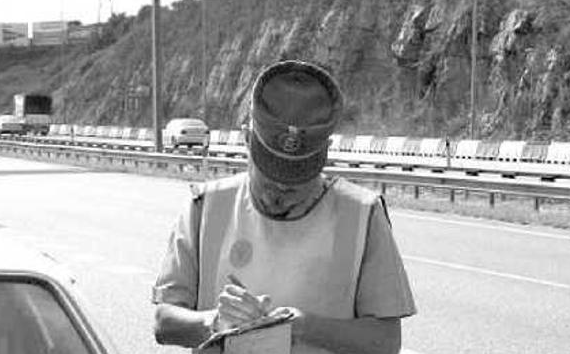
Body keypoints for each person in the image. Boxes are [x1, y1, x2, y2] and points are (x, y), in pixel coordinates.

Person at [152, 60, 416, 354]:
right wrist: (212, 322)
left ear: (323, 157)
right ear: (248, 140)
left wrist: (303, 328)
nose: (279, 192)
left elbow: (386, 341)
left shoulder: (363, 216)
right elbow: (164, 321)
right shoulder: (205, 207)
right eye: (269, 178)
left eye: (295, 183)